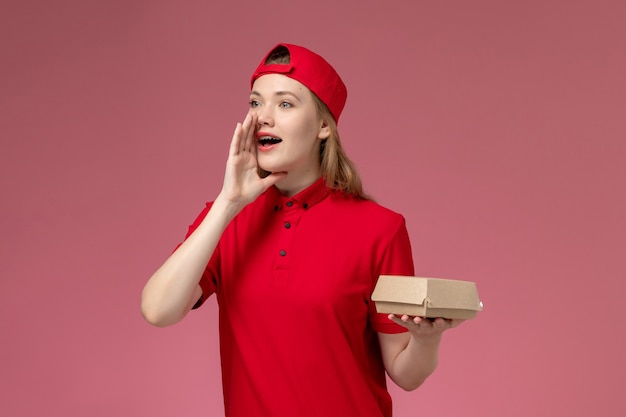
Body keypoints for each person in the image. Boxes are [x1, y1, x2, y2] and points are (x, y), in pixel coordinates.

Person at [141, 43, 463, 417]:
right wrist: (229, 202)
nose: (263, 118)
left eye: (285, 104)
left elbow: (405, 373)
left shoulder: (381, 229)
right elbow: (157, 310)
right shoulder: (224, 220)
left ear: (324, 125)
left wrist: (427, 340)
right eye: (255, 103)